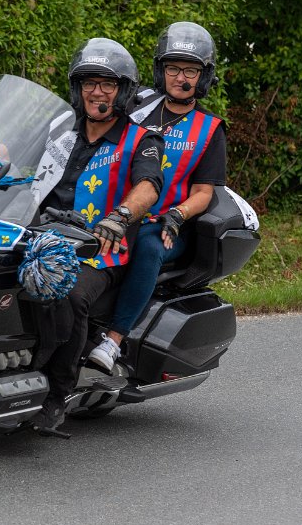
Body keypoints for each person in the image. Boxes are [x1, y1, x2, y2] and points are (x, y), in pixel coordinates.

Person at [31, 38, 165, 432]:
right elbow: (14, 155)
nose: (97, 91)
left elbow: (149, 187)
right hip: (38, 235)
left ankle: (57, 395)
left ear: (123, 91)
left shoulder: (141, 140)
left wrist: (120, 217)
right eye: (89, 82)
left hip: (99, 249)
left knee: (68, 293)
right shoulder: (60, 130)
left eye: (108, 83)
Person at [86, 22, 227, 371]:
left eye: (191, 70)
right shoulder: (137, 105)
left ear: (204, 76)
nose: (181, 77)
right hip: (119, 207)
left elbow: (204, 192)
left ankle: (113, 341)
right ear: (160, 70)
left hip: (167, 223)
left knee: (149, 246)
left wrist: (178, 214)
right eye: (173, 68)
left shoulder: (209, 128)